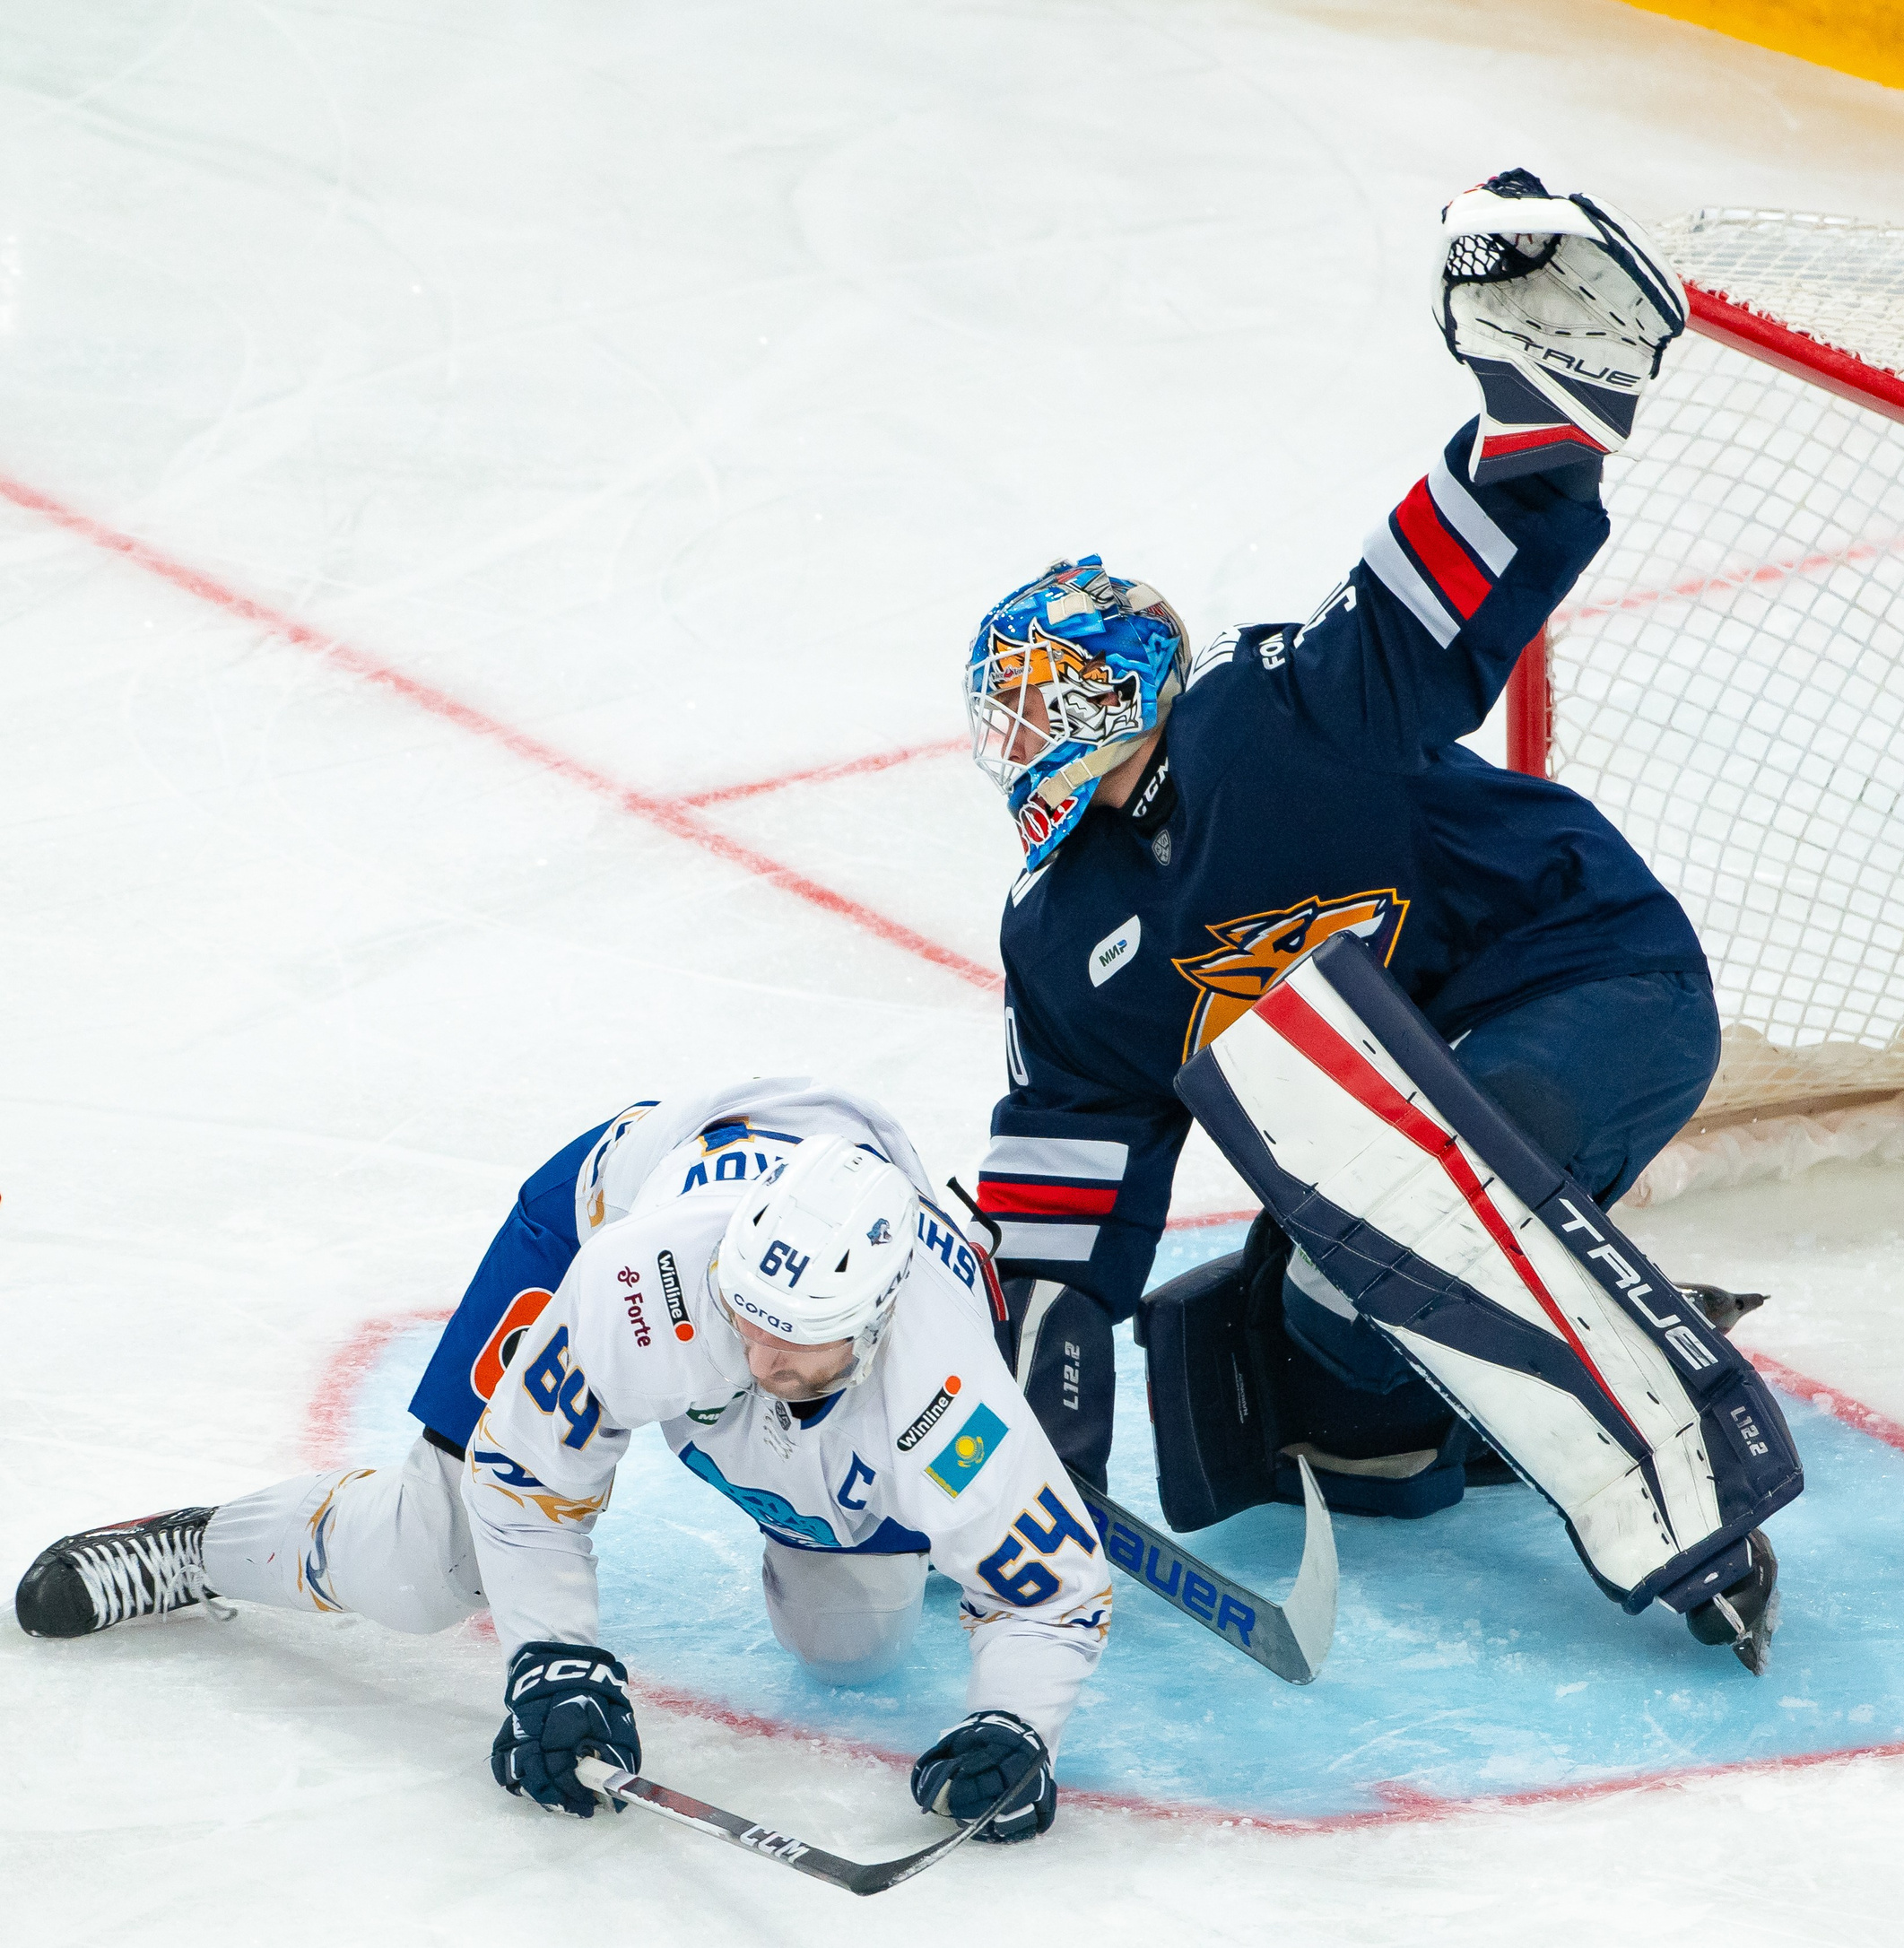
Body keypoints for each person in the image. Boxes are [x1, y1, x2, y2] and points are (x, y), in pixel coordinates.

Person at [962, 170, 1781, 1664]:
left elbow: (1419, 594)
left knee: (1420, 1206)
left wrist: (1540, 412)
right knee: (1350, 1396)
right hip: (1401, 1117)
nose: (1018, 739)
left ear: (1121, 687)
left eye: (1041, 702)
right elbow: (1062, 1209)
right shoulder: (1062, 937)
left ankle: (1677, 1490)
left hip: (1598, 985)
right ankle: (1527, 1352)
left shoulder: (1262, 727)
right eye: (1001, 715)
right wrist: (1035, 1446)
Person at [14, 1082, 1111, 1841]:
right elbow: (527, 1482)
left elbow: (1057, 1597)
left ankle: (886, 1506)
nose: (760, 1347)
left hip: (871, 1383)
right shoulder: (648, 1285)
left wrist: (1017, 1722)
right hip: (599, 1209)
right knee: (422, 1567)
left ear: (870, 1325)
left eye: (797, 1335)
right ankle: (202, 1550)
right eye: (753, 1315)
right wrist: (555, 1660)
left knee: (850, 1646)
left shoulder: (940, 1390)